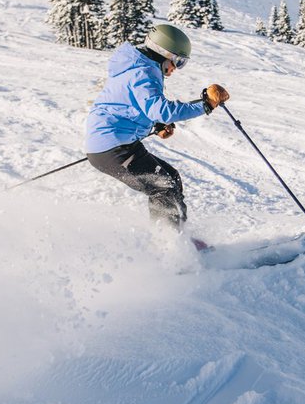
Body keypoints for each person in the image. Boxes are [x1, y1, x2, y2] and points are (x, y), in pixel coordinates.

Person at [84, 24, 228, 247]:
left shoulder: (139, 66)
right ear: (165, 54)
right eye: (178, 61)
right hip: (111, 147)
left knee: (170, 177)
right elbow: (161, 109)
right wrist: (205, 105)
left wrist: (157, 124)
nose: (176, 69)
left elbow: (135, 105)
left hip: (119, 143)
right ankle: (170, 247)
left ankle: (175, 238)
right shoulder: (143, 72)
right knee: (164, 186)